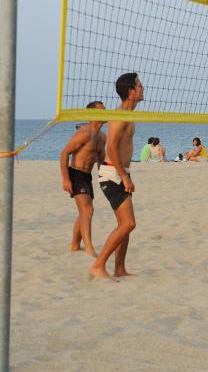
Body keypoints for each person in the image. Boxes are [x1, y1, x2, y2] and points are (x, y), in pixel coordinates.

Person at [89, 72, 144, 281]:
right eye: (139, 85)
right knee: (128, 224)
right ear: (130, 91)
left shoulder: (129, 115)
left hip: (120, 172)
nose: (142, 88)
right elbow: (111, 147)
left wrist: (126, 174)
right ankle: (98, 265)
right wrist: (124, 176)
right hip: (112, 174)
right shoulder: (120, 115)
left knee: (125, 225)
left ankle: (119, 268)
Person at [59, 101, 106, 257]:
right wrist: (66, 179)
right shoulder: (85, 133)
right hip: (75, 173)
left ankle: (74, 245)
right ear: (92, 115)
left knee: (84, 212)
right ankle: (88, 247)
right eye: (102, 110)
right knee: (87, 210)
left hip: (87, 176)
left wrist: (106, 175)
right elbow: (64, 153)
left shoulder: (102, 136)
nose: (106, 112)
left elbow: (100, 159)